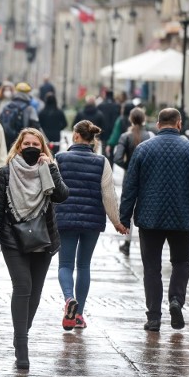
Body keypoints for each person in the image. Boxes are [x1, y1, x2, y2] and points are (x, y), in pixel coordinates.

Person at [120, 108, 189, 332]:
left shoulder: (143, 149)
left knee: (151, 268)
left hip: (149, 218)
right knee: (181, 262)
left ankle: (153, 317)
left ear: (158, 124)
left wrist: (124, 217)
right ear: (179, 124)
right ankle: (176, 300)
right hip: (182, 218)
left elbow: (130, 186)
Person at [0, 128, 68, 369]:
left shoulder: (48, 170)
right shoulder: (6, 172)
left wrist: (51, 168)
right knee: (23, 287)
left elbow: (61, 196)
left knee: (35, 293)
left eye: (36, 143)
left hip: (43, 240)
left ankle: (21, 333)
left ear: (43, 148)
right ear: (19, 146)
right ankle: (22, 347)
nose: (31, 147)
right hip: (13, 239)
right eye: (27, 144)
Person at [55, 120, 127, 330]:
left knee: (65, 265)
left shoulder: (60, 158)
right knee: (84, 265)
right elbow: (109, 195)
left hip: (65, 218)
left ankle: (69, 299)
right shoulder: (101, 161)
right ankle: (78, 316)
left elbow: (51, 191)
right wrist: (117, 221)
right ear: (92, 139)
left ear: (75, 136)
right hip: (92, 220)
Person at [114, 107, 154, 256]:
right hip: (148, 179)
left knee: (128, 210)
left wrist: (130, 167)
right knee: (147, 208)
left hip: (129, 179)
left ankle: (127, 243)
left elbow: (117, 158)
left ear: (131, 119)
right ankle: (148, 242)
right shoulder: (150, 136)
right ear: (144, 119)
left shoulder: (126, 136)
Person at [0, 82, 41, 151]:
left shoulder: (7, 106)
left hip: (6, 142)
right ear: (28, 93)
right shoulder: (29, 108)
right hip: (23, 144)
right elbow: (36, 126)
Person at [97, 90, 121, 162]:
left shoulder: (100, 105)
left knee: (104, 151)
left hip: (103, 131)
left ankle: (104, 167)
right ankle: (110, 168)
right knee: (112, 150)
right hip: (114, 132)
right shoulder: (117, 105)